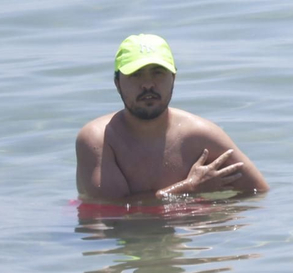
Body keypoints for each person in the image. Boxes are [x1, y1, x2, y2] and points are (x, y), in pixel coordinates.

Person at [76, 34, 268, 205]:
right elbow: (108, 211)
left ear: (173, 78)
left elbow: (258, 192)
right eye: (136, 75)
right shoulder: (99, 139)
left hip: (181, 241)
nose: (148, 84)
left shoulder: (201, 135)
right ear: (117, 83)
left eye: (158, 73)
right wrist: (188, 189)